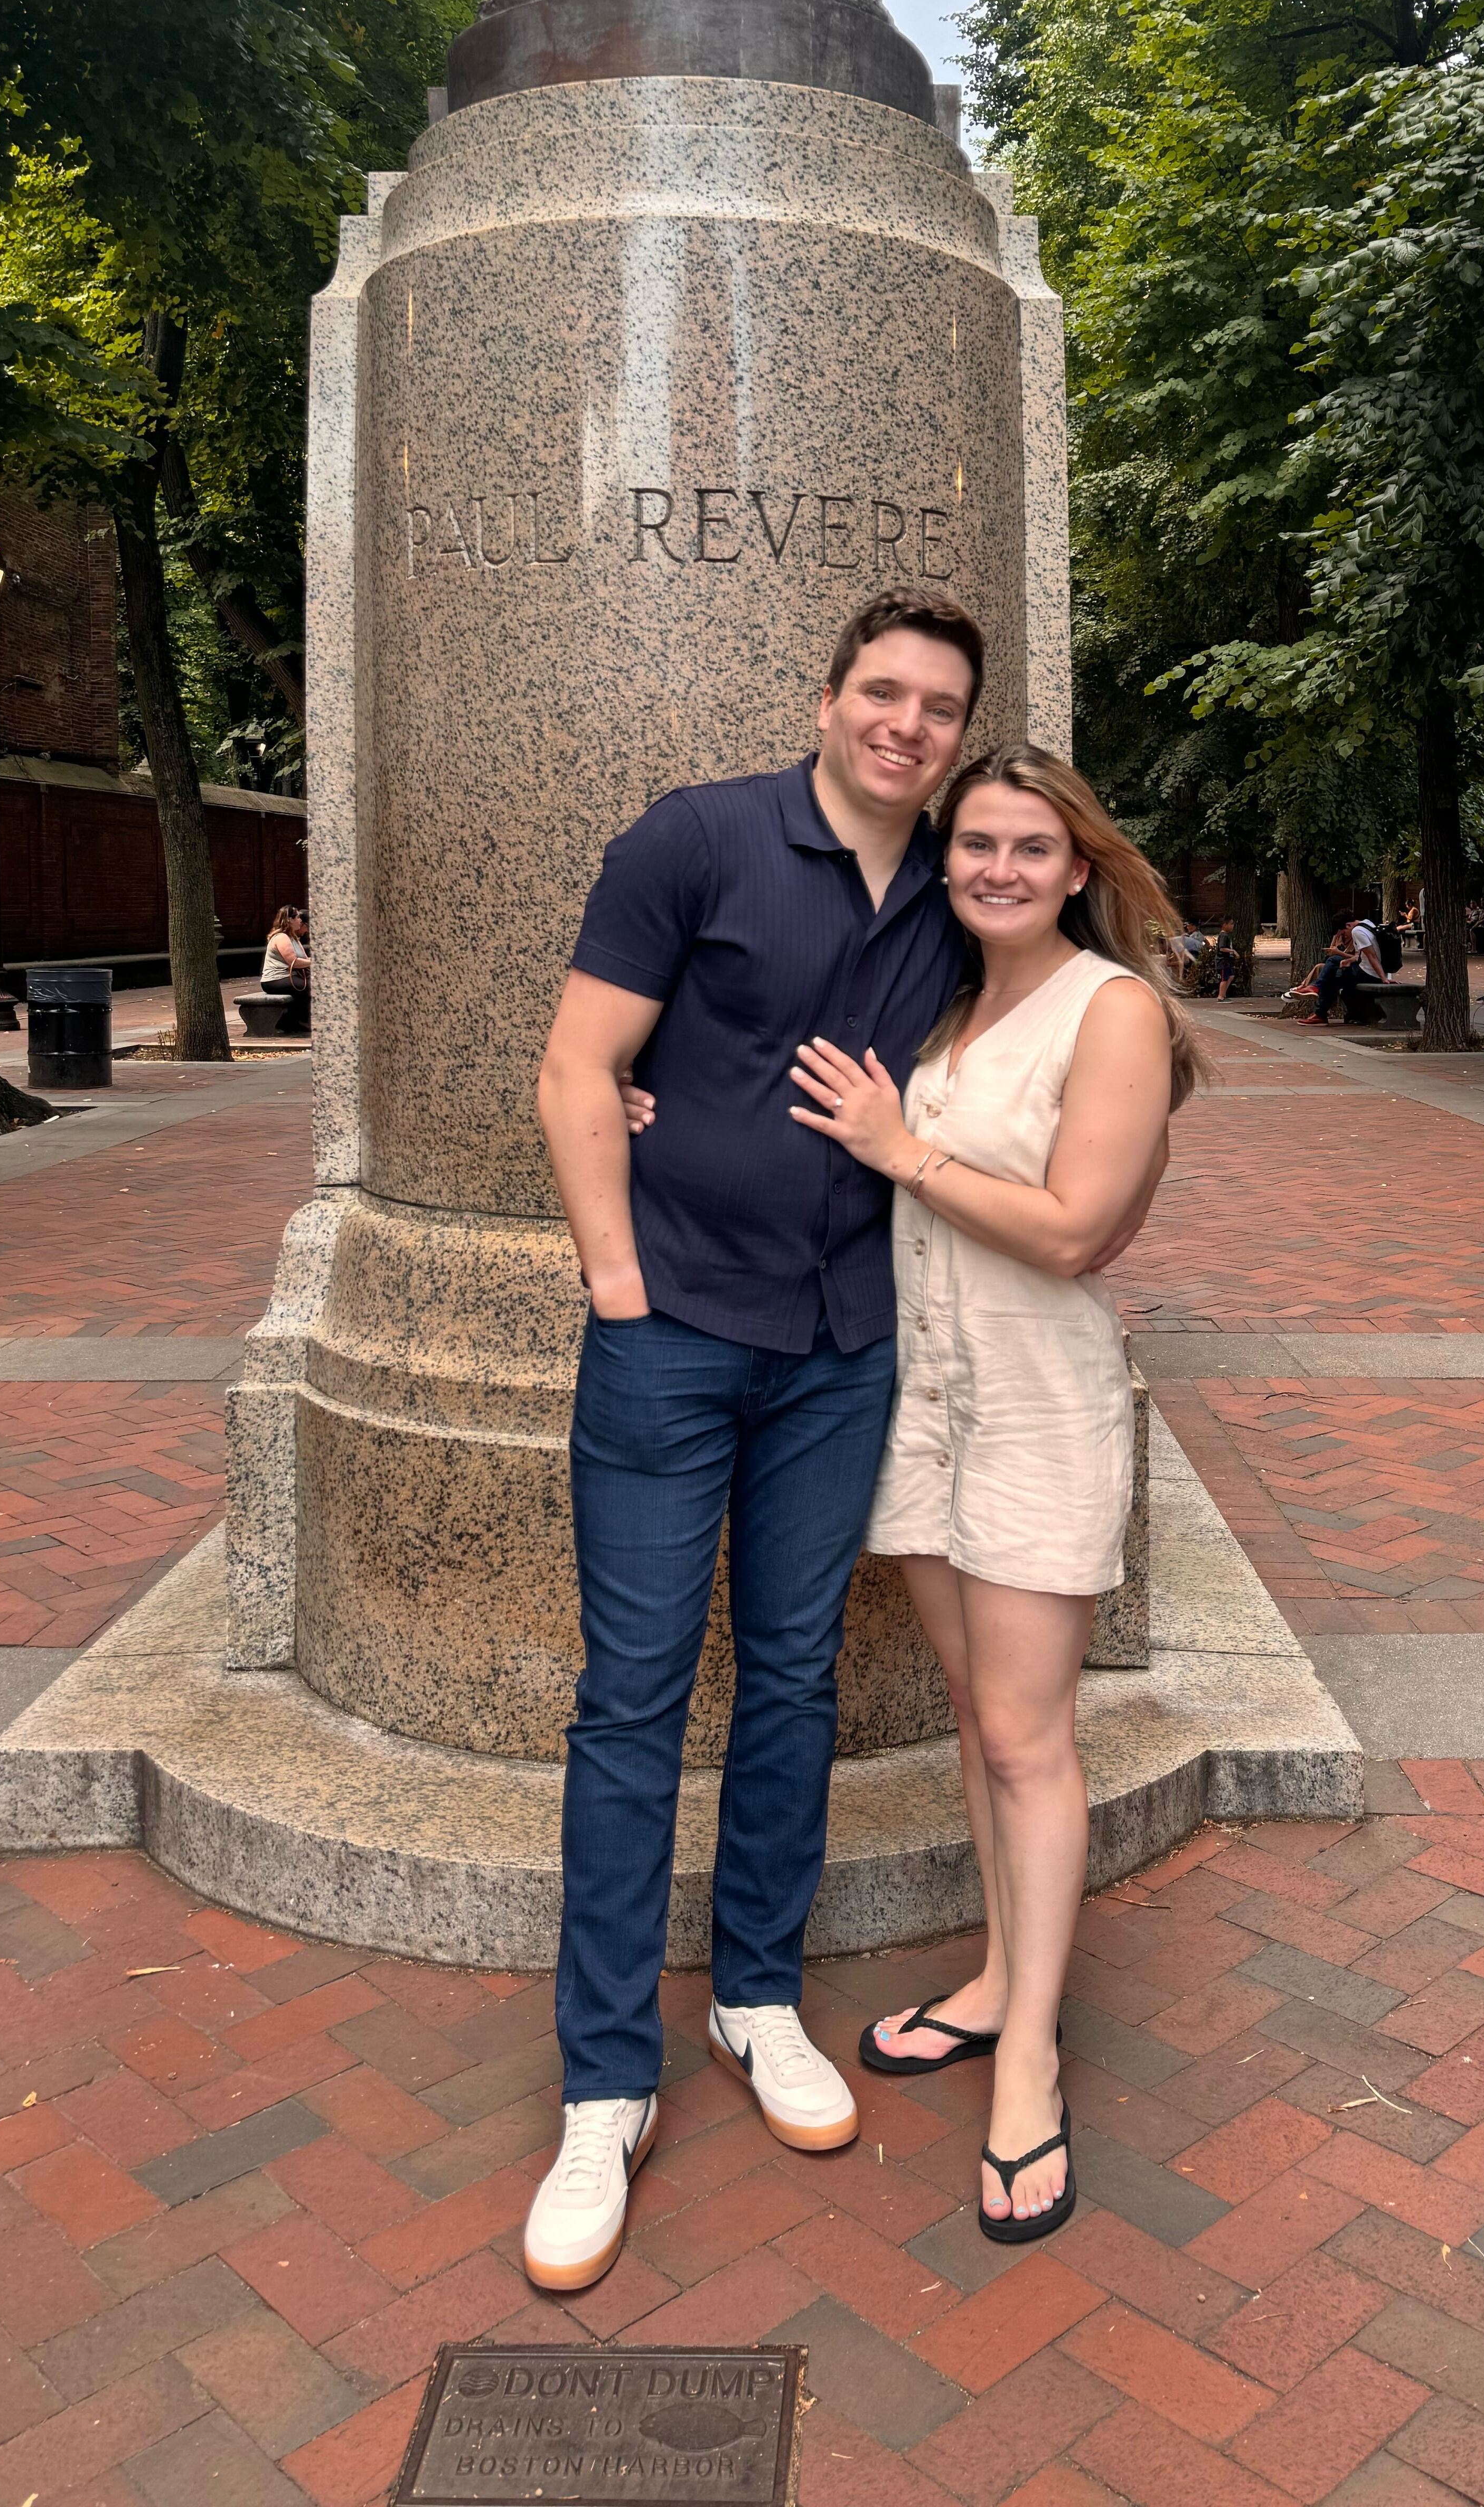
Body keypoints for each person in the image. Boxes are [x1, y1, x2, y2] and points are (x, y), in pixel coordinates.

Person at [525, 588, 987, 2293]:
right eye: (882, 692)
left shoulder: (960, 892)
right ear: (826, 699)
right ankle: (600, 2084)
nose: (905, 725)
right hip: (669, 1344)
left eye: (937, 707)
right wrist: (618, 1280)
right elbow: (582, 1065)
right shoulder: (697, 839)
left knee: (792, 1676)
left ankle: (755, 1998)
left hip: (841, 1350)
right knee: (632, 1692)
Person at [791, 746, 1196, 2244]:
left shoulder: (1114, 1011)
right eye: (975, 845)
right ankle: (992, 1979)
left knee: (1030, 1740)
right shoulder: (952, 1007)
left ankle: (1029, 2057)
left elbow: (1080, 1229)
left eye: (1030, 847)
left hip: (1036, 1414)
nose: (998, 869)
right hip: (932, 1410)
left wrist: (901, 1148)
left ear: (1077, 868)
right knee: (983, 1724)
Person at [262, 907, 311, 994]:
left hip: (290, 977)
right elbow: (294, 962)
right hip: (276, 979)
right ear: (290, 920)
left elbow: (305, 959)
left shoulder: (293, 938)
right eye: (298, 918)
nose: (300, 920)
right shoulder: (281, 937)